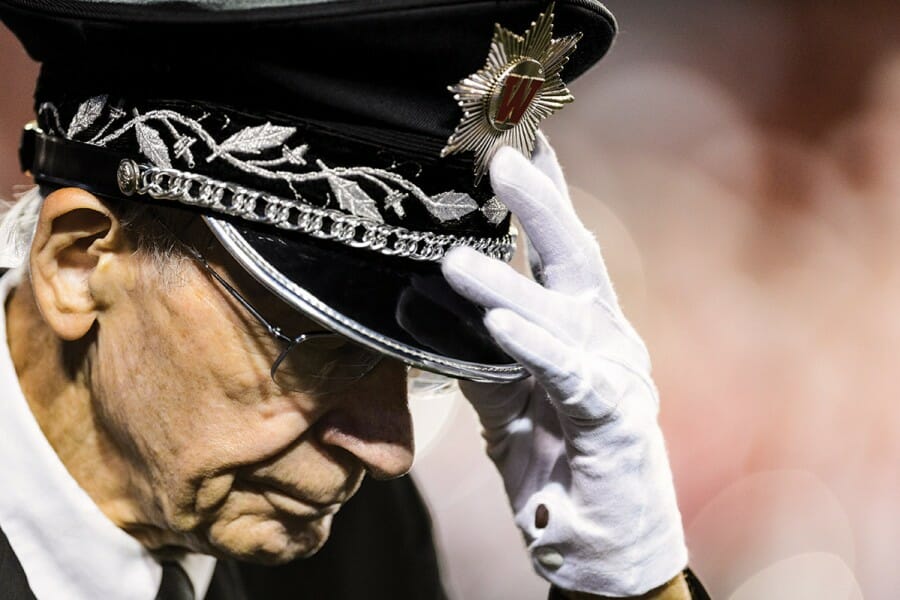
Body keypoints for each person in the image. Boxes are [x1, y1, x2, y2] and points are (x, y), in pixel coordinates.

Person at [0, 0, 710, 598]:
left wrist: (631, 582)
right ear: (78, 261)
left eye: (418, 363)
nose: (391, 451)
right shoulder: (314, 520)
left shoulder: (354, 538)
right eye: (321, 349)